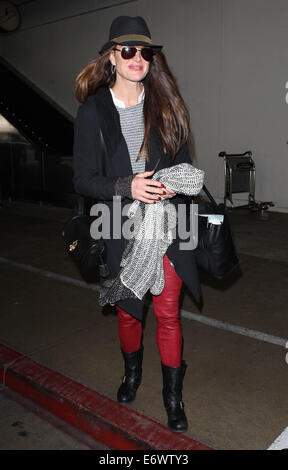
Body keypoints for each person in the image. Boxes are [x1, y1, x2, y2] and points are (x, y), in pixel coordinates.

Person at [73, 16, 203, 433]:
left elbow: (184, 164)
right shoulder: (93, 112)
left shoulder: (165, 104)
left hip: (166, 226)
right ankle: (132, 374)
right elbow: (82, 178)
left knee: (168, 315)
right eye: (127, 50)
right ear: (112, 55)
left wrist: (172, 184)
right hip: (119, 225)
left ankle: (172, 397)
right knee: (130, 314)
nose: (137, 58)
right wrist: (128, 185)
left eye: (145, 51)